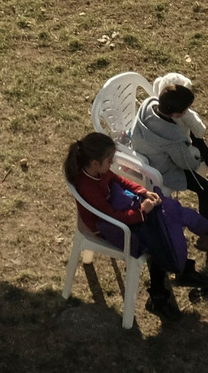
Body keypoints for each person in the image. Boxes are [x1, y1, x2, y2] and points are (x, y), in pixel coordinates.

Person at [65, 131, 185, 319]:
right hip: (107, 226)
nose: (112, 163)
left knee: (161, 227)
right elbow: (112, 217)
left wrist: (143, 191)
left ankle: (178, 268)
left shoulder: (97, 170)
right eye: (109, 160)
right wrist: (141, 212)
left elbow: (116, 179)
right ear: (96, 163)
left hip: (116, 214)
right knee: (156, 243)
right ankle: (159, 297)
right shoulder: (88, 187)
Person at [126, 78, 208, 246]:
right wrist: (196, 154)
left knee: (190, 135)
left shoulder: (149, 104)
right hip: (162, 171)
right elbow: (188, 164)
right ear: (177, 114)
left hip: (142, 154)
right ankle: (207, 235)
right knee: (206, 190)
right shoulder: (173, 137)